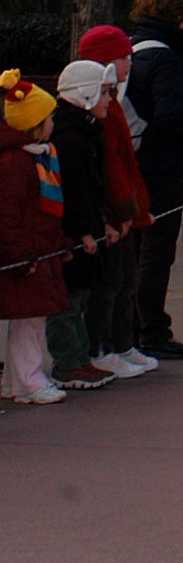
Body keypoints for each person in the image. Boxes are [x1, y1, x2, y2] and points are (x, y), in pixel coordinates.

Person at [125, 0, 183, 361]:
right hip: (162, 167)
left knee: (133, 249)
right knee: (157, 251)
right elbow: (172, 116)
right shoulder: (166, 59)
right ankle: (153, 329)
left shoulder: (133, 49)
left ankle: (128, 327)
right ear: (179, 14)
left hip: (132, 160)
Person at [76, 25, 155, 382]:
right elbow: (112, 165)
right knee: (110, 285)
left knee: (125, 282)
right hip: (115, 212)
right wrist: (123, 210)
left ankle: (122, 344)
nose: (129, 63)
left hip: (125, 209)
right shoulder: (103, 110)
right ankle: (104, 348)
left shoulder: (113, 102)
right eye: (123, 57)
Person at [45, 61, 118, 391]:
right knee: (69, 302)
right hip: (73, 235)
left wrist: (102, 224)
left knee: (81, 298)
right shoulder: (70, 139)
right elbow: (73, 192)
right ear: (85, 93)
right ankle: (68, 363)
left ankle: (79, 358)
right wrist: (85, 231)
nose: (109, 99)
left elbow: (91, 189)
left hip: (87, 229)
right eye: (104, 92)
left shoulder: (84, 132)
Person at [1, 71, 70, 404]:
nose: (53, 123)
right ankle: (30, 380)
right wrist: (18, 255)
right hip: (26, 254)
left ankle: (16, 382)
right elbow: (8, 215)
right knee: (28, 321)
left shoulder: (36, 156)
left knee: (29, 318)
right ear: (34, 124)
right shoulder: (16, 163)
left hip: (37, 250)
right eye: (49, 118)